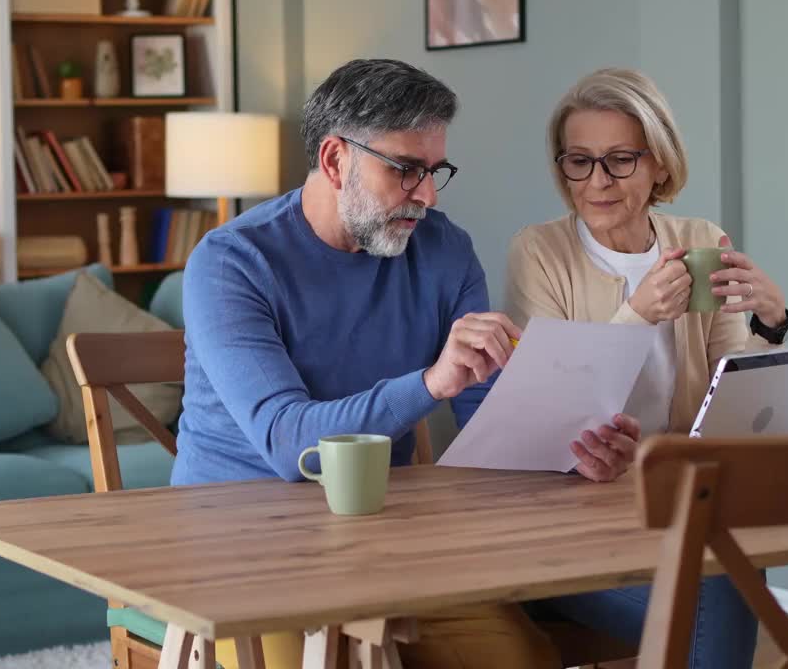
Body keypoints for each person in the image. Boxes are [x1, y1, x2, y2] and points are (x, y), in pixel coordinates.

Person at [172, 58, 637, 669]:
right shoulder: (232, 263)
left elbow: (493, 425)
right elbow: (289, 444)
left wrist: (576, 450)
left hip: (389, 541)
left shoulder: (444, 251)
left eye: (435, 169)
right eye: (406, 170)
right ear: (336, 160)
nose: (428, 193)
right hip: (238, 550)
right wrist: (429, 383)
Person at [507, 67, 788, 668]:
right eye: (578, 160)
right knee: (724, 586)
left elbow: (732, 401)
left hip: (680, 505)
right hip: (571, 522)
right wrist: (638, 315)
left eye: (619, 160)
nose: (596, 181)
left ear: (659, 165)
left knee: (730, 568)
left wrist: (771, 324)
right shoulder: (540, 251)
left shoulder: (699, 239)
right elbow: (548, 405)